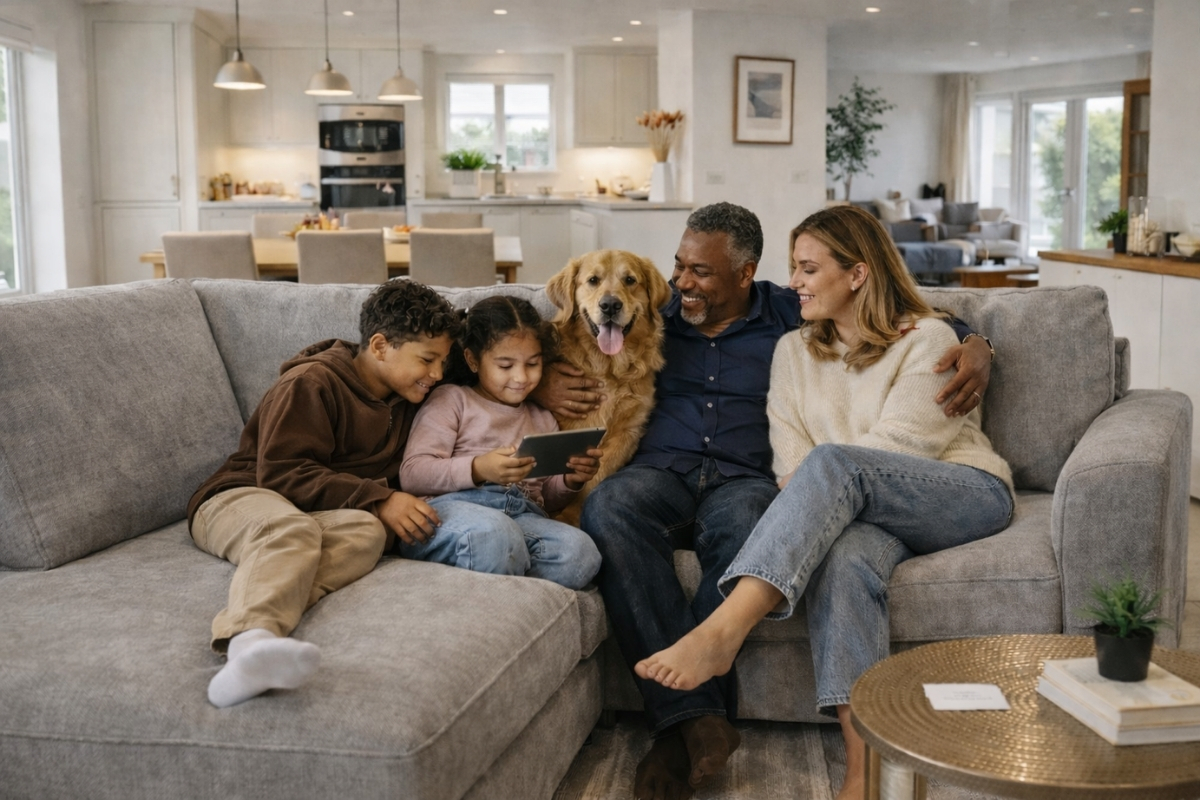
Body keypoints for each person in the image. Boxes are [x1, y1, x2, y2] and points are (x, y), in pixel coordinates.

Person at [533, 202, 995, 800]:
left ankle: (682, 727)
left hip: (745, 478)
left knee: (752, 521)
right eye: (679, 266)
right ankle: (696, 722)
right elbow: (551, 326)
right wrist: (542, 378)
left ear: (746, 275)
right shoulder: (654, 305)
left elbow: (904, 314)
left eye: (701, 272)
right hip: (662, 471)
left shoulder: (789, 310)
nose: (683, 284)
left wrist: (976, 341)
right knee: (610, 509)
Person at [188, 280, 464, 709]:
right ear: (379, 346)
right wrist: (380, 498)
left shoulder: (409, 393)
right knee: (292, 530)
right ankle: (246, 646)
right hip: (241, 494)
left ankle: (269, 615)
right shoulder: (311, 383)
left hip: (317, 510)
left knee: (366, 534)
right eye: (428, 360)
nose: (438, 374)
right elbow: (280, 472)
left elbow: (494, 359)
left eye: (443, 362)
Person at [398, 295, 602, 590]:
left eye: (533, 363)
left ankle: (497, 564)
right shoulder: (452, 400)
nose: (521, 377)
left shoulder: (543, 418)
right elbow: (413, 473)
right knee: (496, 535)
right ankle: (494, 559)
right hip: (452, 512)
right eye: (505, 366)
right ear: (472, 360)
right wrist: (479, 468)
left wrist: (570, 480)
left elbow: (546, 495)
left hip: (521, 516)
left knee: (581, 554)